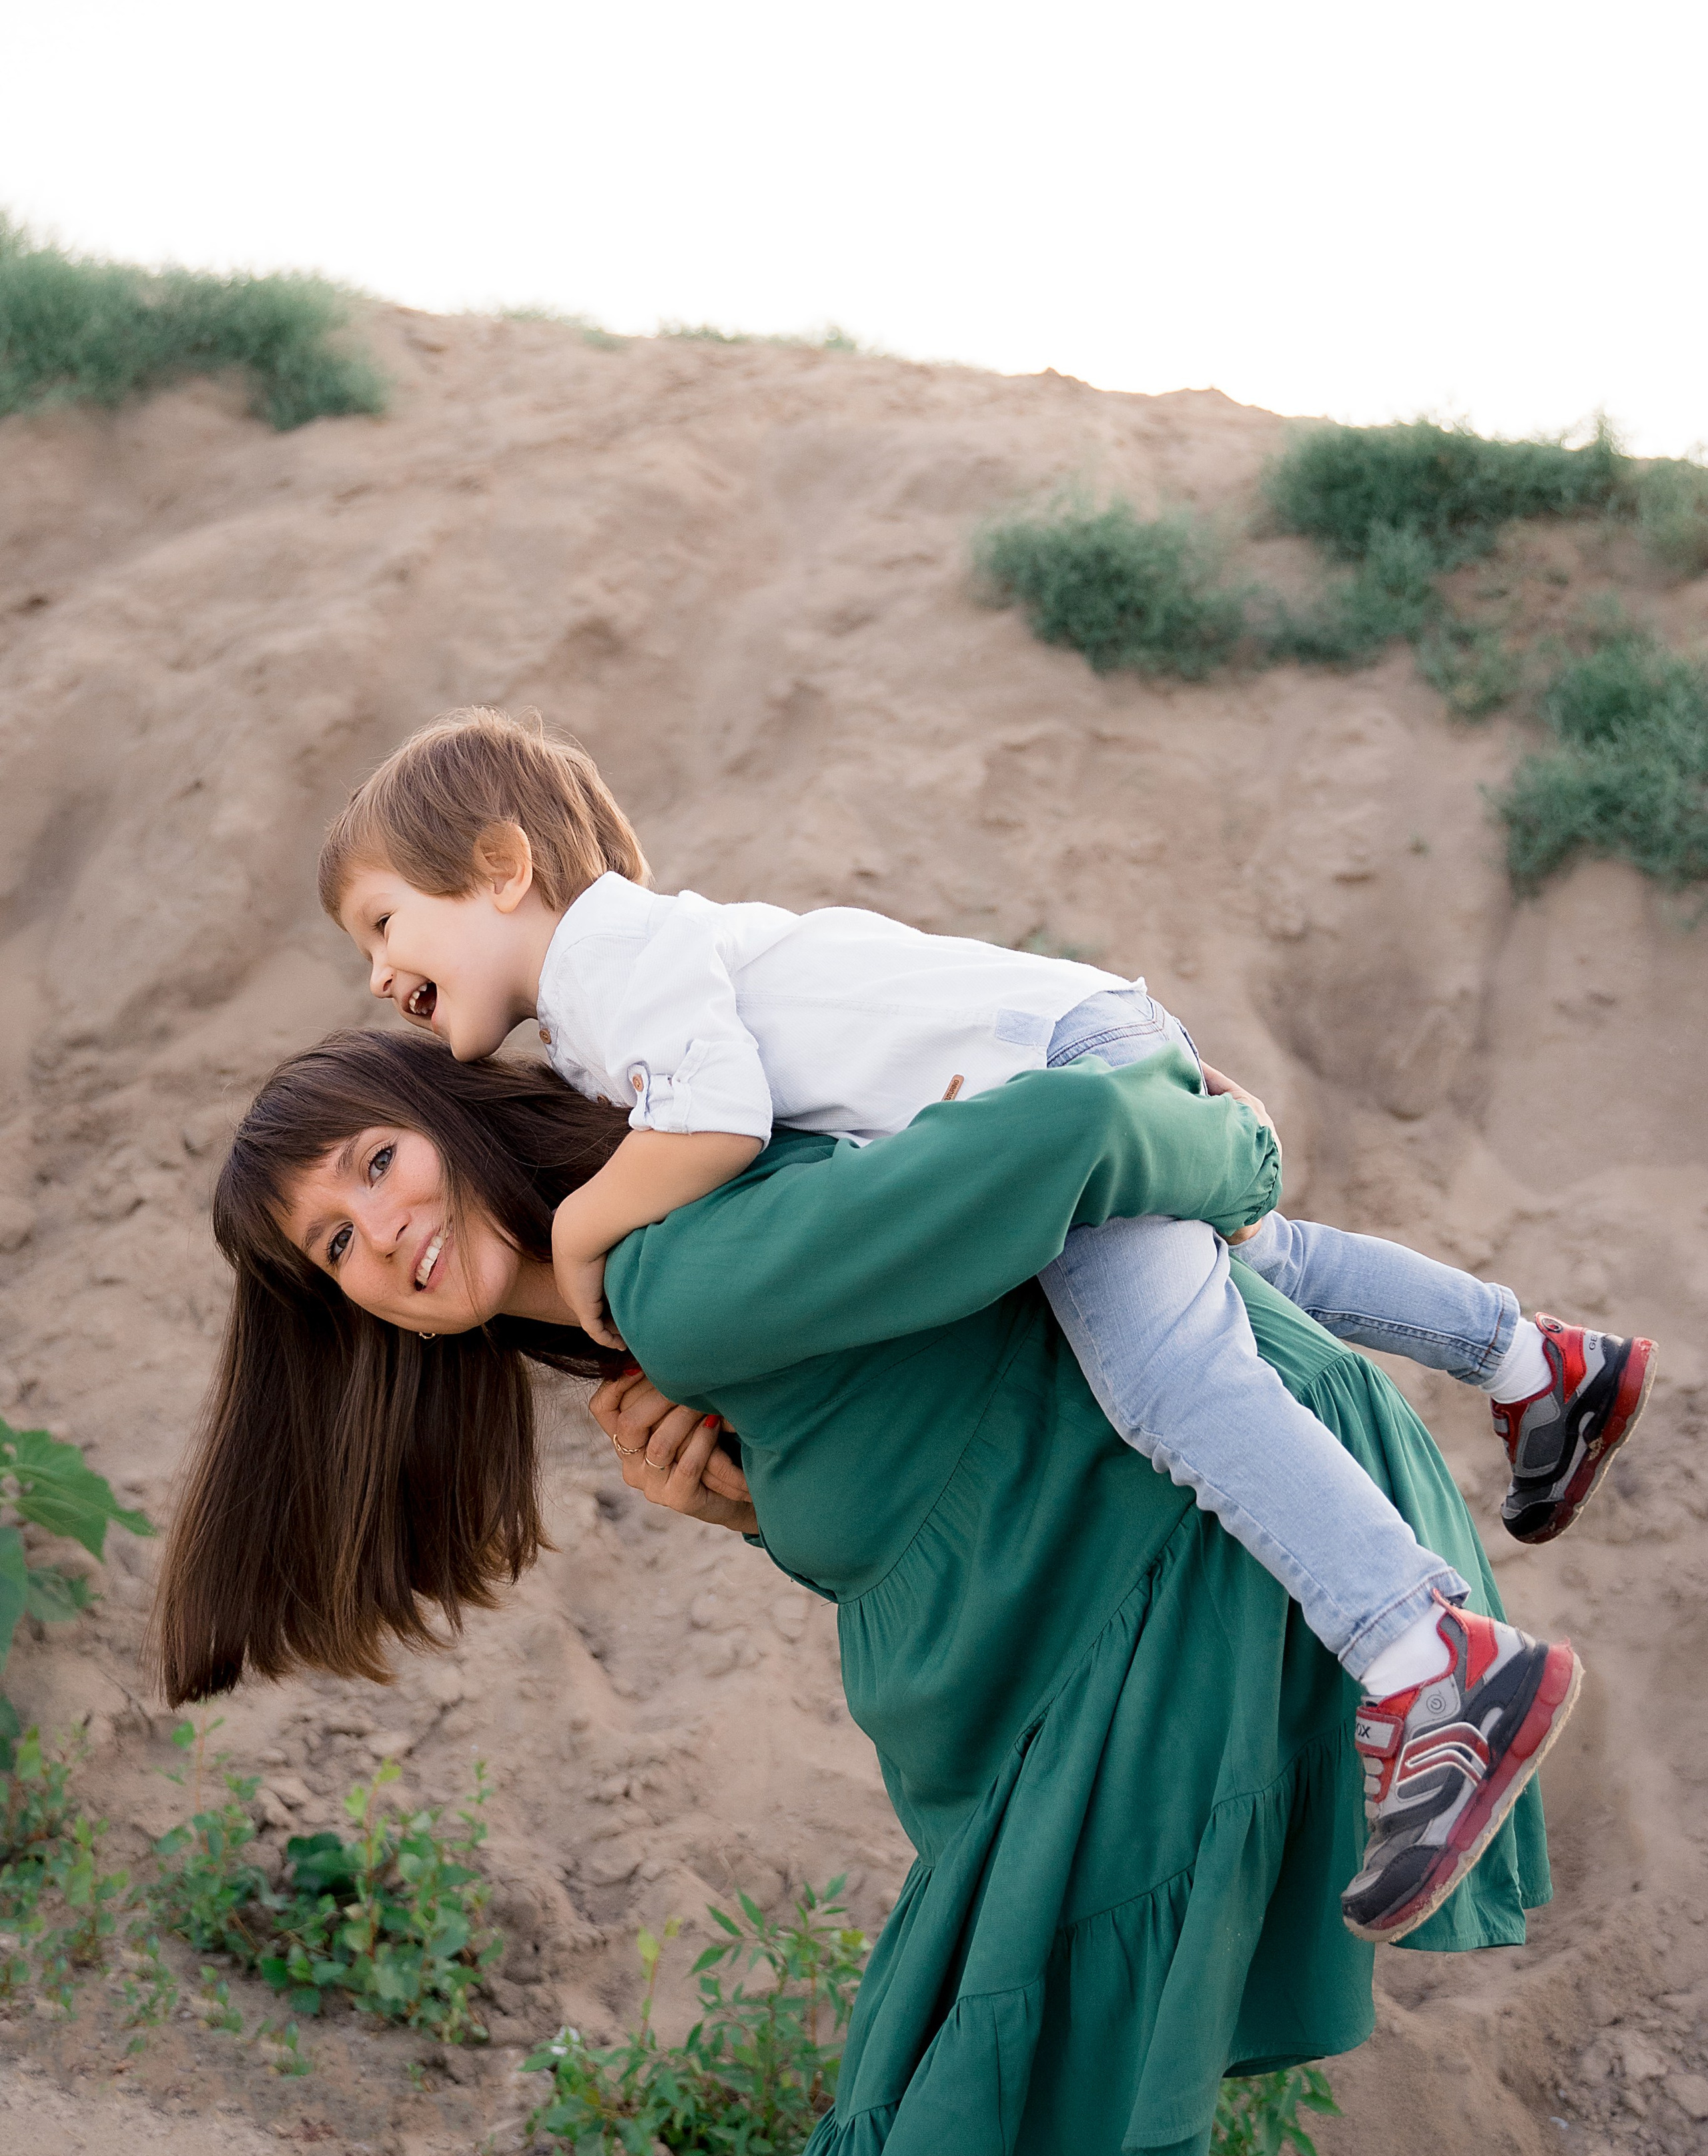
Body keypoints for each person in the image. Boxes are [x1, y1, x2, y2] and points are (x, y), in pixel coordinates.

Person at [157, 1026, 1563, 2156]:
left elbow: (1067, 1132)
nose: (379, 1231)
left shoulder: (675, 1260)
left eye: (376, 1162)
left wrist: (1235, 1165)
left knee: (961, 2111)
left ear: (453, 1121)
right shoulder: (633, 1318)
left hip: (1201, 1558)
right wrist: (753, 1515)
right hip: (1090, 1596)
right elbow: (938, 1438)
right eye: (333, 1241)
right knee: (969, 2126)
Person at [314, 709, 1639, 1934]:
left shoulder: (612, 955)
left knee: (1170, 1383)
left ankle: (1427, 1659)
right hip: (1055, 1043)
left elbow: (710, 1124)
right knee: (1262, 1263)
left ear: (499, 866)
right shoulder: (612, 1002)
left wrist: (583, 1227)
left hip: (1049, 1070)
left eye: (382, 923)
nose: (376, 973)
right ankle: (1532, 1360)